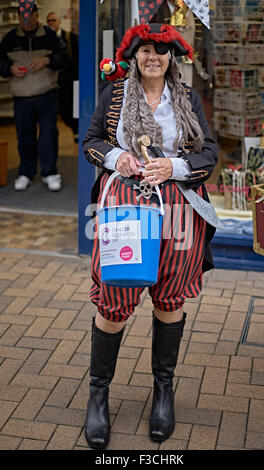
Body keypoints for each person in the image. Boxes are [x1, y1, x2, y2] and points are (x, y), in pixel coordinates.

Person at [82, 23, 217, 450]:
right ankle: (98, 395)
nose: (152, 56)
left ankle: (163, 391)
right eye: (145, 50)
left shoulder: (189, 98)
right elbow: (91, 142)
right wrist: (118, 156)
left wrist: (173, 167)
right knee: (115, 300)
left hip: (178, 209)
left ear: (171, 57)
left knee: (169, 297)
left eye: (161, 50)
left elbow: (208, 153)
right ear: (134, 55)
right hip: (126, 208)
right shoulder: (116, 95)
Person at [0, 4, 68, 191]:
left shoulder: (49, 35)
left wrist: (46, 60)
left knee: (48, 135)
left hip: (47, 95)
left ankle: (50, 173)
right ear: (19, 17)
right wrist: (9, 68)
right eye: (23, 17)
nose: (27, 20)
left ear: (37, 15)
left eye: (30, 16)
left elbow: (64, 58)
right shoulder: (10, 37)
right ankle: (25, 173)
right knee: (24, 137)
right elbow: (1, 61)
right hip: (21, 97)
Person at [46, 11, 79, 142]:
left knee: (70, 107)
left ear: (59, 22)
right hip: (51, 81)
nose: (51, 23)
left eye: (54, 20)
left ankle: (76, 129)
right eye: (49, 21)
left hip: (69, 81)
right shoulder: (44, 40)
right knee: (61, 110)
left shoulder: (71, 38)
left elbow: (77, 59)